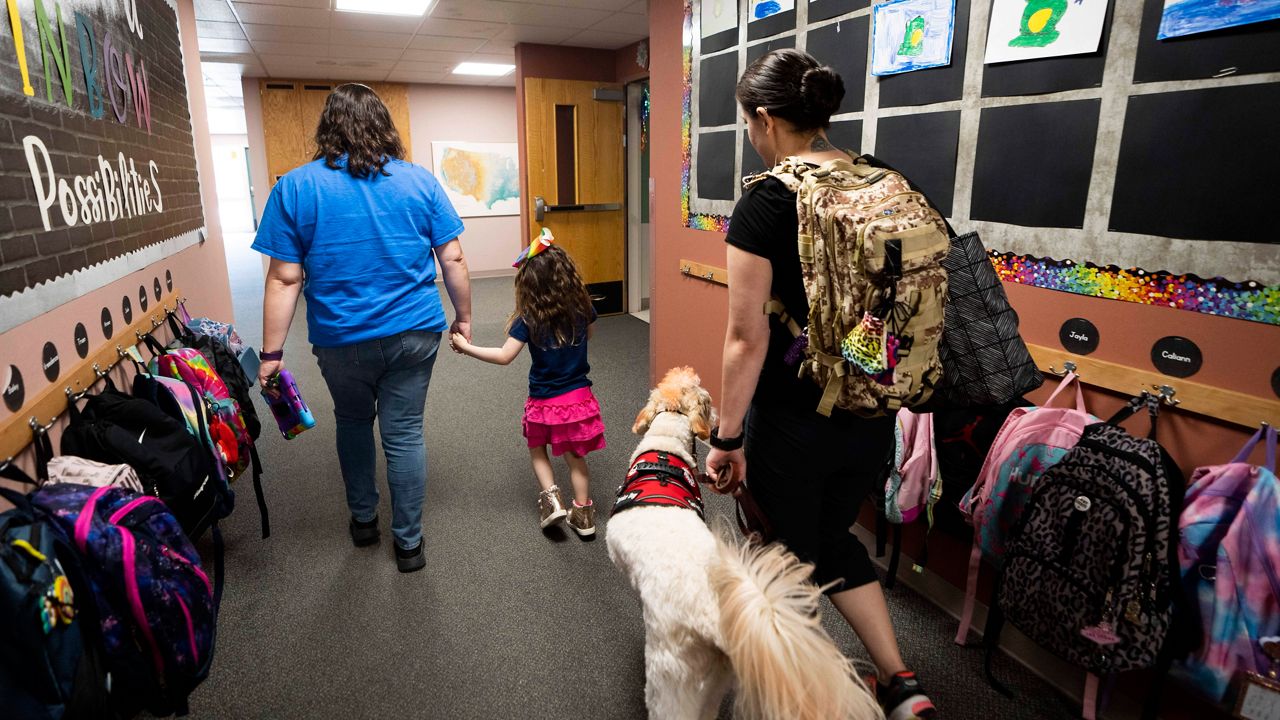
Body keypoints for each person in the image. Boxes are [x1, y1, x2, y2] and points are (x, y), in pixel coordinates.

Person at [704, 49, 938, 719]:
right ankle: (900, 681)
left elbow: (747, 339)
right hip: (871, 411)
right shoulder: (885, 179)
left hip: (792, 421)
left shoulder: (768, 200)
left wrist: (726, 438)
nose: (751, 133)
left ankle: (813, 702)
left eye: (749, 121)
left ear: (768, 119)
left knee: (780, 565)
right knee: (834, 537)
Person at [252, 83, 472, 573]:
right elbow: (452, 257)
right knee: (405, 432)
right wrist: (464, 316)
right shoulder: (419, 182)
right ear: (384, 126)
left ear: (327, 127)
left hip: (340, 339)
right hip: (415, 333)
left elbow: (284, 277)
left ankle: (364, 522)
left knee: (353, 422)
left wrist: (271, 353)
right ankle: (409, 545)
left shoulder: (295, 187)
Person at [450, 232, 604, 538]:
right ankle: (584, 515)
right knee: (575, 457)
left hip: (545, 400)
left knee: (537, 449)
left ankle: (552, 499)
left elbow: (505, 356)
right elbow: (589, 335)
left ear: (529, 284)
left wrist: (465, 348)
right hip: (578, 399)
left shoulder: (530, 317)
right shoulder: (582, 307)